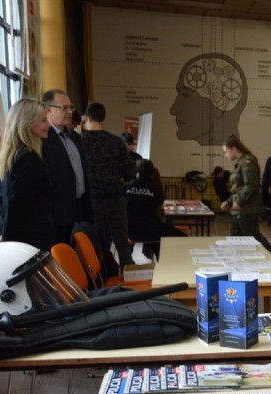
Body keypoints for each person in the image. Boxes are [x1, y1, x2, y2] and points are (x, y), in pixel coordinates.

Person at [81, 101, 136, 269]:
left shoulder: (79, 142)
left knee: (99, 239)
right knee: (121, 239)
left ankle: (105, 272)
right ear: (103, 119)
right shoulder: (116, 142)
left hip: (91, 200)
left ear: (87, 117)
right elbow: (129, 172)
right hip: (115, 198)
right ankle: (128, 273)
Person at [0, 99, 54, 251]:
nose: (48, 125)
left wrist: (3, 232)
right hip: (29, 237)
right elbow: (19, 202)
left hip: (16, 234)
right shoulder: (29, 157)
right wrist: (7, 236)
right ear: (27, 123)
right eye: (43, 120)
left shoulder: (11, 155)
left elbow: (3, 197)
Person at [41, 88, 90, 245]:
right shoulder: (42, 138)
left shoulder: (75, 137)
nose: (70, 112)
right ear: (49, 110)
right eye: (64, 108)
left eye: (71, 107)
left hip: (81, 207)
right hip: (58, 213)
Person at [221, 134, 271, 254]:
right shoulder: (240, 162)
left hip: (248, 208)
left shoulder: (247, 161)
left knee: (253, 237)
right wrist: (229, 202)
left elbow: (251, 185)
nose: (225, 155)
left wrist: (239, 202)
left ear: (234, 149)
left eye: (226, 152)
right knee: (236, 239)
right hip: (239, 209)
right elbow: (238, 188)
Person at [124, 158, 186, 259]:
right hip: (150, 230)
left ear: (137, 172)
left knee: (156, 236)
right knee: (182, 237)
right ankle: (163, 260)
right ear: (152, 172)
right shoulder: (155, 188)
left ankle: (152, 254)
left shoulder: (128, 186)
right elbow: (159, 209)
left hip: (130, 231)